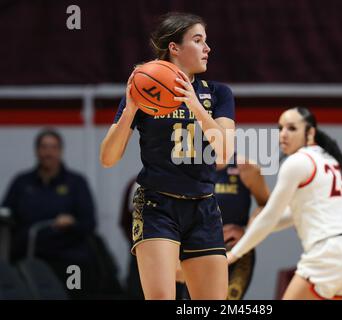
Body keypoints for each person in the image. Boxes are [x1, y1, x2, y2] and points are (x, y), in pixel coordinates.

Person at [100, 12, 235, 300]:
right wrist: (130, 109)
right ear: (174, 48)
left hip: (203, 207)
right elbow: (108, 158)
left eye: (206, 41)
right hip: (157, 205)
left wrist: (195, 105)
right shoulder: (144, 91)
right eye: (198, 41)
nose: (207, 48)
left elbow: (224, 153)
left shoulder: (219, 94)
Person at [227, 107, 342, 300]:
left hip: (328, 254)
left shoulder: (297, 162)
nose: (283, 134)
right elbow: (292, 215)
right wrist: (257, 227)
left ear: (310, 133)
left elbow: (270, 215)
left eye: (292, 128)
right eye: (280, 128)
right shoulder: (327, 159)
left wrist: (235, 253)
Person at [2, 129, 98, 299]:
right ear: (37, 151)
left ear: (60, 151)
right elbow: (5, 215)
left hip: (69, 259)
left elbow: (89, 223)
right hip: (29, 257)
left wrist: (71, 223)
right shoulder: (22, 182)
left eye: (53, 147)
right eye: (44, 147)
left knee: (74, 293)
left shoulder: (76, 183)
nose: (48, 152)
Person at [175, 154, 270, 300]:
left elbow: (266, 206)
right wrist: (175, 259)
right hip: (196, 251)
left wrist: (247, 233)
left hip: (234, 250)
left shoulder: (245, 167)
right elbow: (175, 213)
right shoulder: (187, 167)